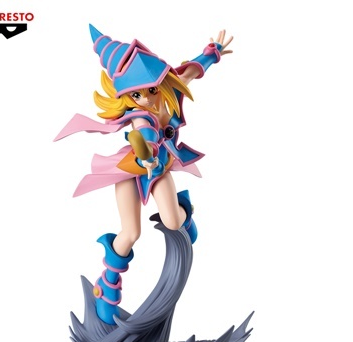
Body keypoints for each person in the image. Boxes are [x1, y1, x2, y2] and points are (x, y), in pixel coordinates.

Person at [55, 24, 233, 324]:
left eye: (151, 90)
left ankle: (185, 212)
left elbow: (190, 72)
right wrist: (146, 154)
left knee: (173, 221)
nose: (148, 99)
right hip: (128, 170)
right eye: (137, 94)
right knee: (130, 233)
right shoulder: (139, 117)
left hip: (158, 169)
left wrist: (212, 53)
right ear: (127, 97)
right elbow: (145, 136)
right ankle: (107, 286)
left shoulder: (170, 91)